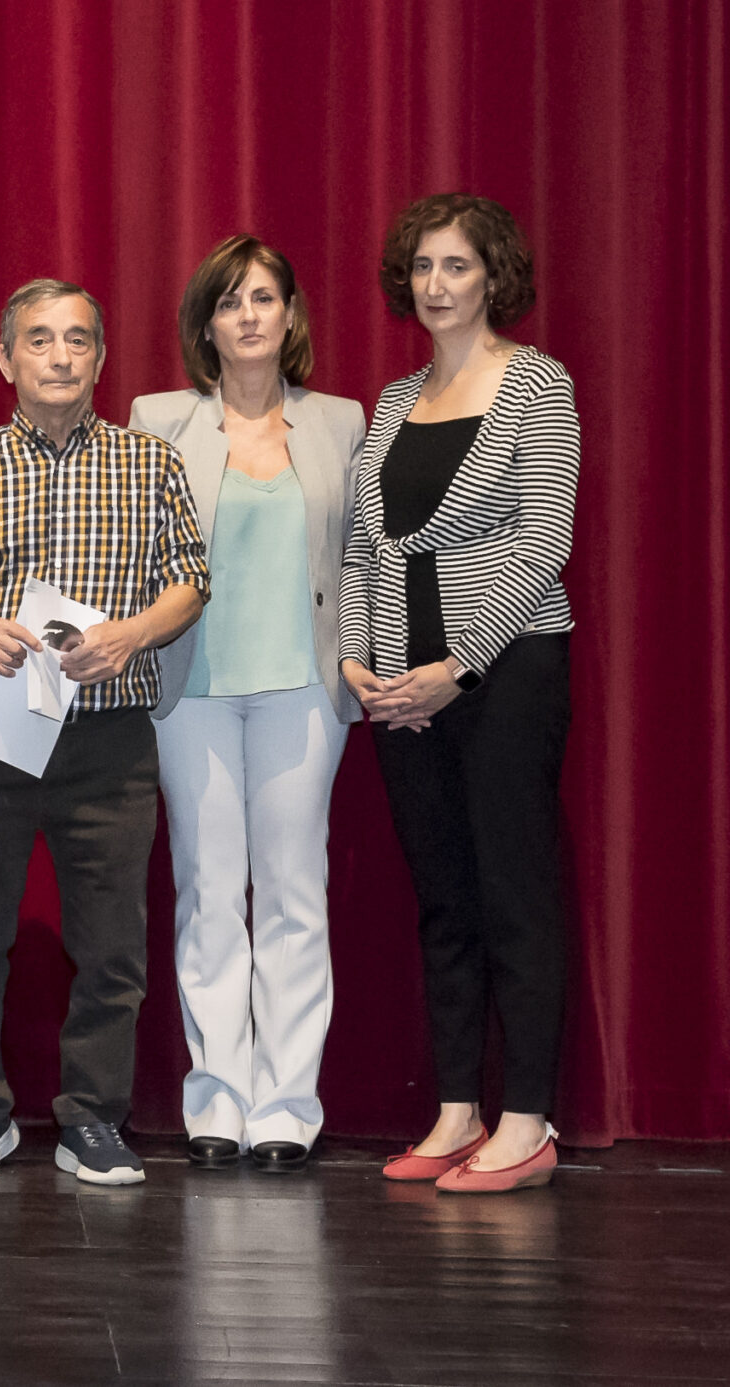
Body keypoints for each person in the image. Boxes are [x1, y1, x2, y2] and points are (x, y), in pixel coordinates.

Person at [0, 279, 209, 1187]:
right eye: (40, 339)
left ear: (101, 359)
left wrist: (134, 633)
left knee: (112, 939)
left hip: (108, 735)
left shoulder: (149, 464)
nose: (61, 355)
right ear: (6, 360)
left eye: (78, 339)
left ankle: (93, 1119)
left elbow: (190, 577)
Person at [341, 194, 579, 1194]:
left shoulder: (536, 386)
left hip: (507, 670)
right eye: (423, 268)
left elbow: (543, 541)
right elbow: (362, 546)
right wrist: (360, 665)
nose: (436, 286)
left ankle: (525, 1123)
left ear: (493, 278)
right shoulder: (394, 402)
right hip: (400, 685)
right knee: (442, 899)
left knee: (514, 893)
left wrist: (458, 664)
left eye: (456, 267)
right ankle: (454, 1112)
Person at [129, 237, 365, 1171]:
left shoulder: (344, 420)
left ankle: (286, 1106)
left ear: (292, 314)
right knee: (208, 894)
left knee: (296, 894)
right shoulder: (157, 418)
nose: (250, 315)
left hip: (306, 688)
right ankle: (217, 1100)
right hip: (192, 690)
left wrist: (361, 658)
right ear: (207, 324)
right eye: (230, 301)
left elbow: (362, 556)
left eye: (265, 297)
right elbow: (133, 550)